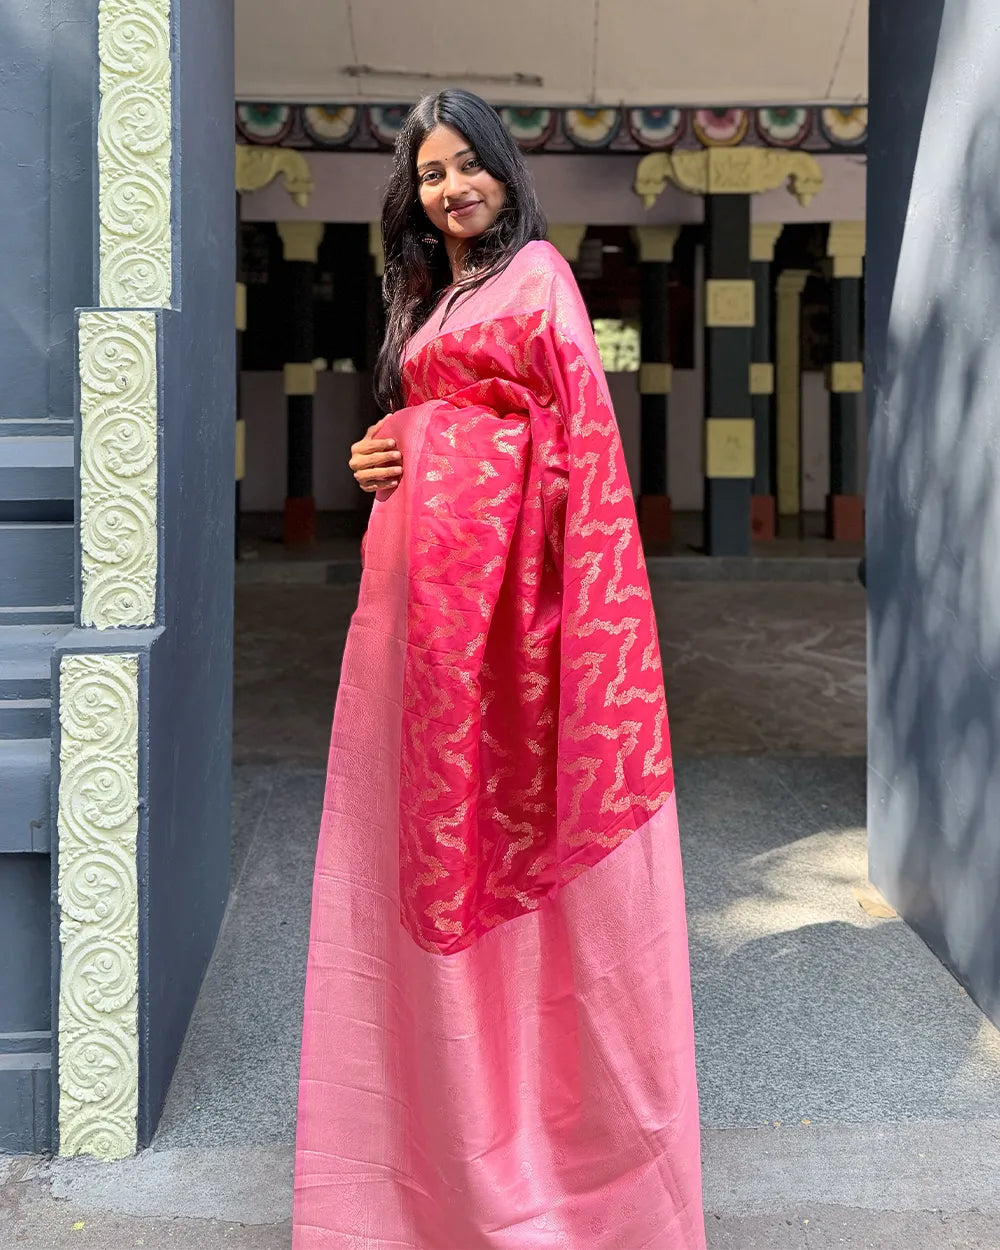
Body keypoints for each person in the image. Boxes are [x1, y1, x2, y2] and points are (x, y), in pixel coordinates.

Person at [292, 88, 706, 1249]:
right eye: (430, 174)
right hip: (420, 626)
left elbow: (572, 446)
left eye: (468, 164)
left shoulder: (538, 278)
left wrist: (434, 444)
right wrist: (387, 448)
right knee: (417, 851)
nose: (451, 188)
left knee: (520, 864)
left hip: (504, 626)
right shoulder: (435, 297)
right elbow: (439, 419)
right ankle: (429, 1160)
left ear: (505, 170)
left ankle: (546, 1167)